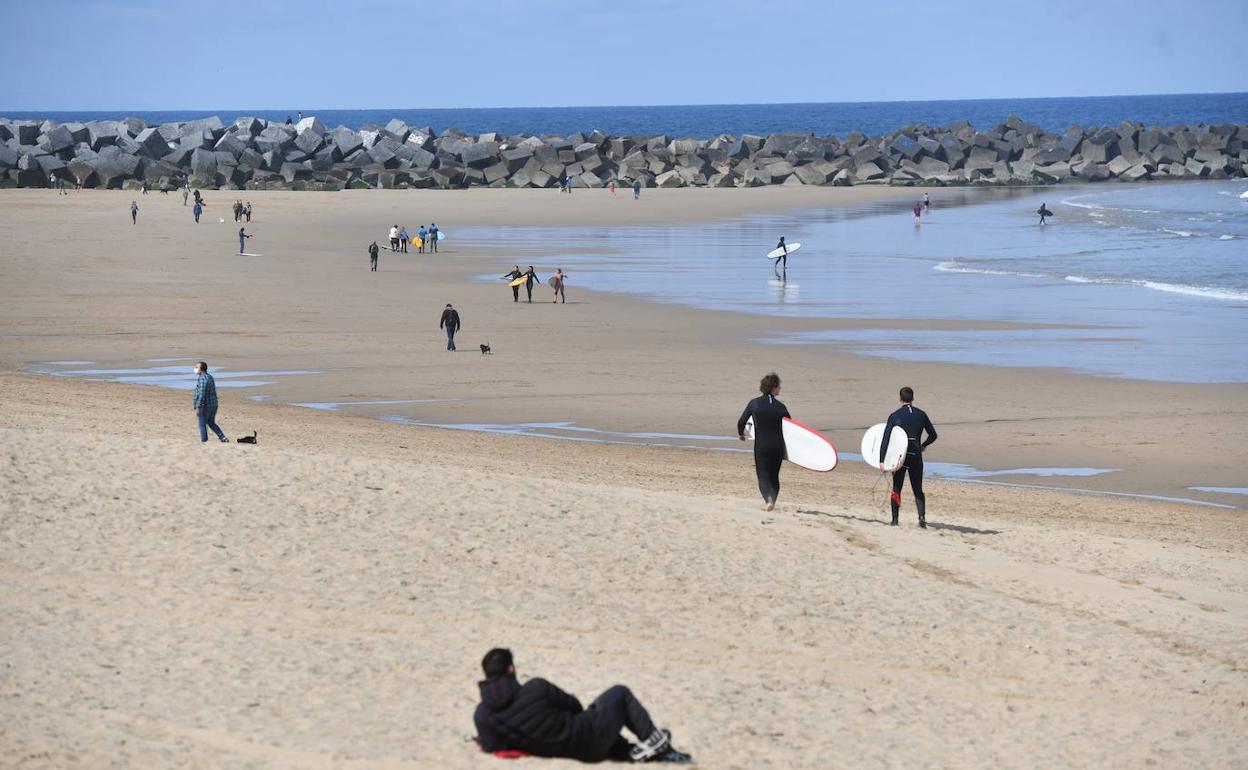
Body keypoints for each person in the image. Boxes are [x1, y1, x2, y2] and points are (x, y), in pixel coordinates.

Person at [473, 648, 690, 764]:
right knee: (618, 693)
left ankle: (631, 751)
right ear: (511, 669)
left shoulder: (483, 715)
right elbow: (575, 705)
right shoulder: (535, 687)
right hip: (586, 738)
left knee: (593, 725)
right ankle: (659, 746)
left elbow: (493, 746)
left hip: (574, 753)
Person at [879, 386, 938, 528]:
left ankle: (894, 520)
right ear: (913, 398)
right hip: (916, 455)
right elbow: (933, 435)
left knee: (897, 487)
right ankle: (922, 518)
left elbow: (886, 439)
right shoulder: (921, 414)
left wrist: (882, 460)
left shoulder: (895, 416)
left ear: (900, 399)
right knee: (917, 488)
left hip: (901, 457)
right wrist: (924, 445)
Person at [737, 372, 790, 512]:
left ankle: (768, 501)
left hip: (762, 446)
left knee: (763, 475)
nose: (780, 388)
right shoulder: (781, 407)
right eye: (779, 386)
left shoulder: (754, 403)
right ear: (773, 388)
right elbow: (791, 428)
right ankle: (773, 499)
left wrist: (741, 434)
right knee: (774, 476)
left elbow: (741, 422)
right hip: (778, 447)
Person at [193, 361, 228, 443]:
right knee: (211, 422)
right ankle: (222, 437)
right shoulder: (210, 377)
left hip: (205, 405)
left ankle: (204, 441)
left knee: (202, 424)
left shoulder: (202, 379)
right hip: (214, 404)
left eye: (196, 367)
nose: (195, 369)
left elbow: (201, 394)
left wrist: (198, 406)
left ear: (201, 369)